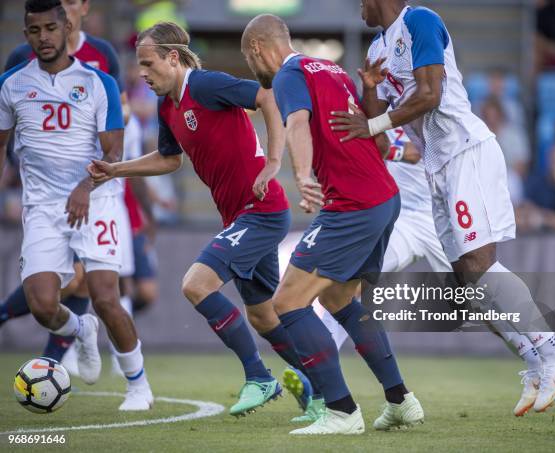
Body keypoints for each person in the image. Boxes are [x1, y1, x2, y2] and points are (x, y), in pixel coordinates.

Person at [329, 0, 555, 414]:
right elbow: (377, 140)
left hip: (467, 151)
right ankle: (537, 362)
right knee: (468, 280)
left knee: (480, 265)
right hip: (438, 165)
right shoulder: (376, 51)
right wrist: (371, 92)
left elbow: (430, 94)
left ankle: (554, 349)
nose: (358, 6)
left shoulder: (420, 21)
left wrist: (373, 122)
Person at [88, 21, 321, 418]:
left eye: (148, 64)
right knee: (263, 316)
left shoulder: (206, 85)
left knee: (196, 284)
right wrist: (117, 169)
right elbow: (169, 158)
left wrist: (275, 163)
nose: (142, 74)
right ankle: (320, 393)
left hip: (261, 211)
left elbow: (267, 96)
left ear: (173, 57)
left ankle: (259, 377)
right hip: (240, 217)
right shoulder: (168, 106)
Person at [241, 14, 425, 435]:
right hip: (383, 196)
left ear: (255, 50)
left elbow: (298, 123)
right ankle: (400, 401)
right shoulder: (331, 68)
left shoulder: (289, 74)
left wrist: (302, 175)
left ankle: (341, 410)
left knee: (287, 303)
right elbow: (365, 129)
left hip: (353, 203)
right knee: (342, 300)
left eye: (247, 60)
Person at [0, 0, 153, 410]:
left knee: (106, 296)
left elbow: (115, 150)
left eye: (51, 28)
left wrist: (86, 186)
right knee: (42, 305)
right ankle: (80, 329)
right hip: (43, 208)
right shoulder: (11, 83)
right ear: (26, 34)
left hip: (97, 200)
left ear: (66, 27)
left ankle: (138, 385)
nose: (44, 37)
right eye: (35, 31)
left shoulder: (97, 80)